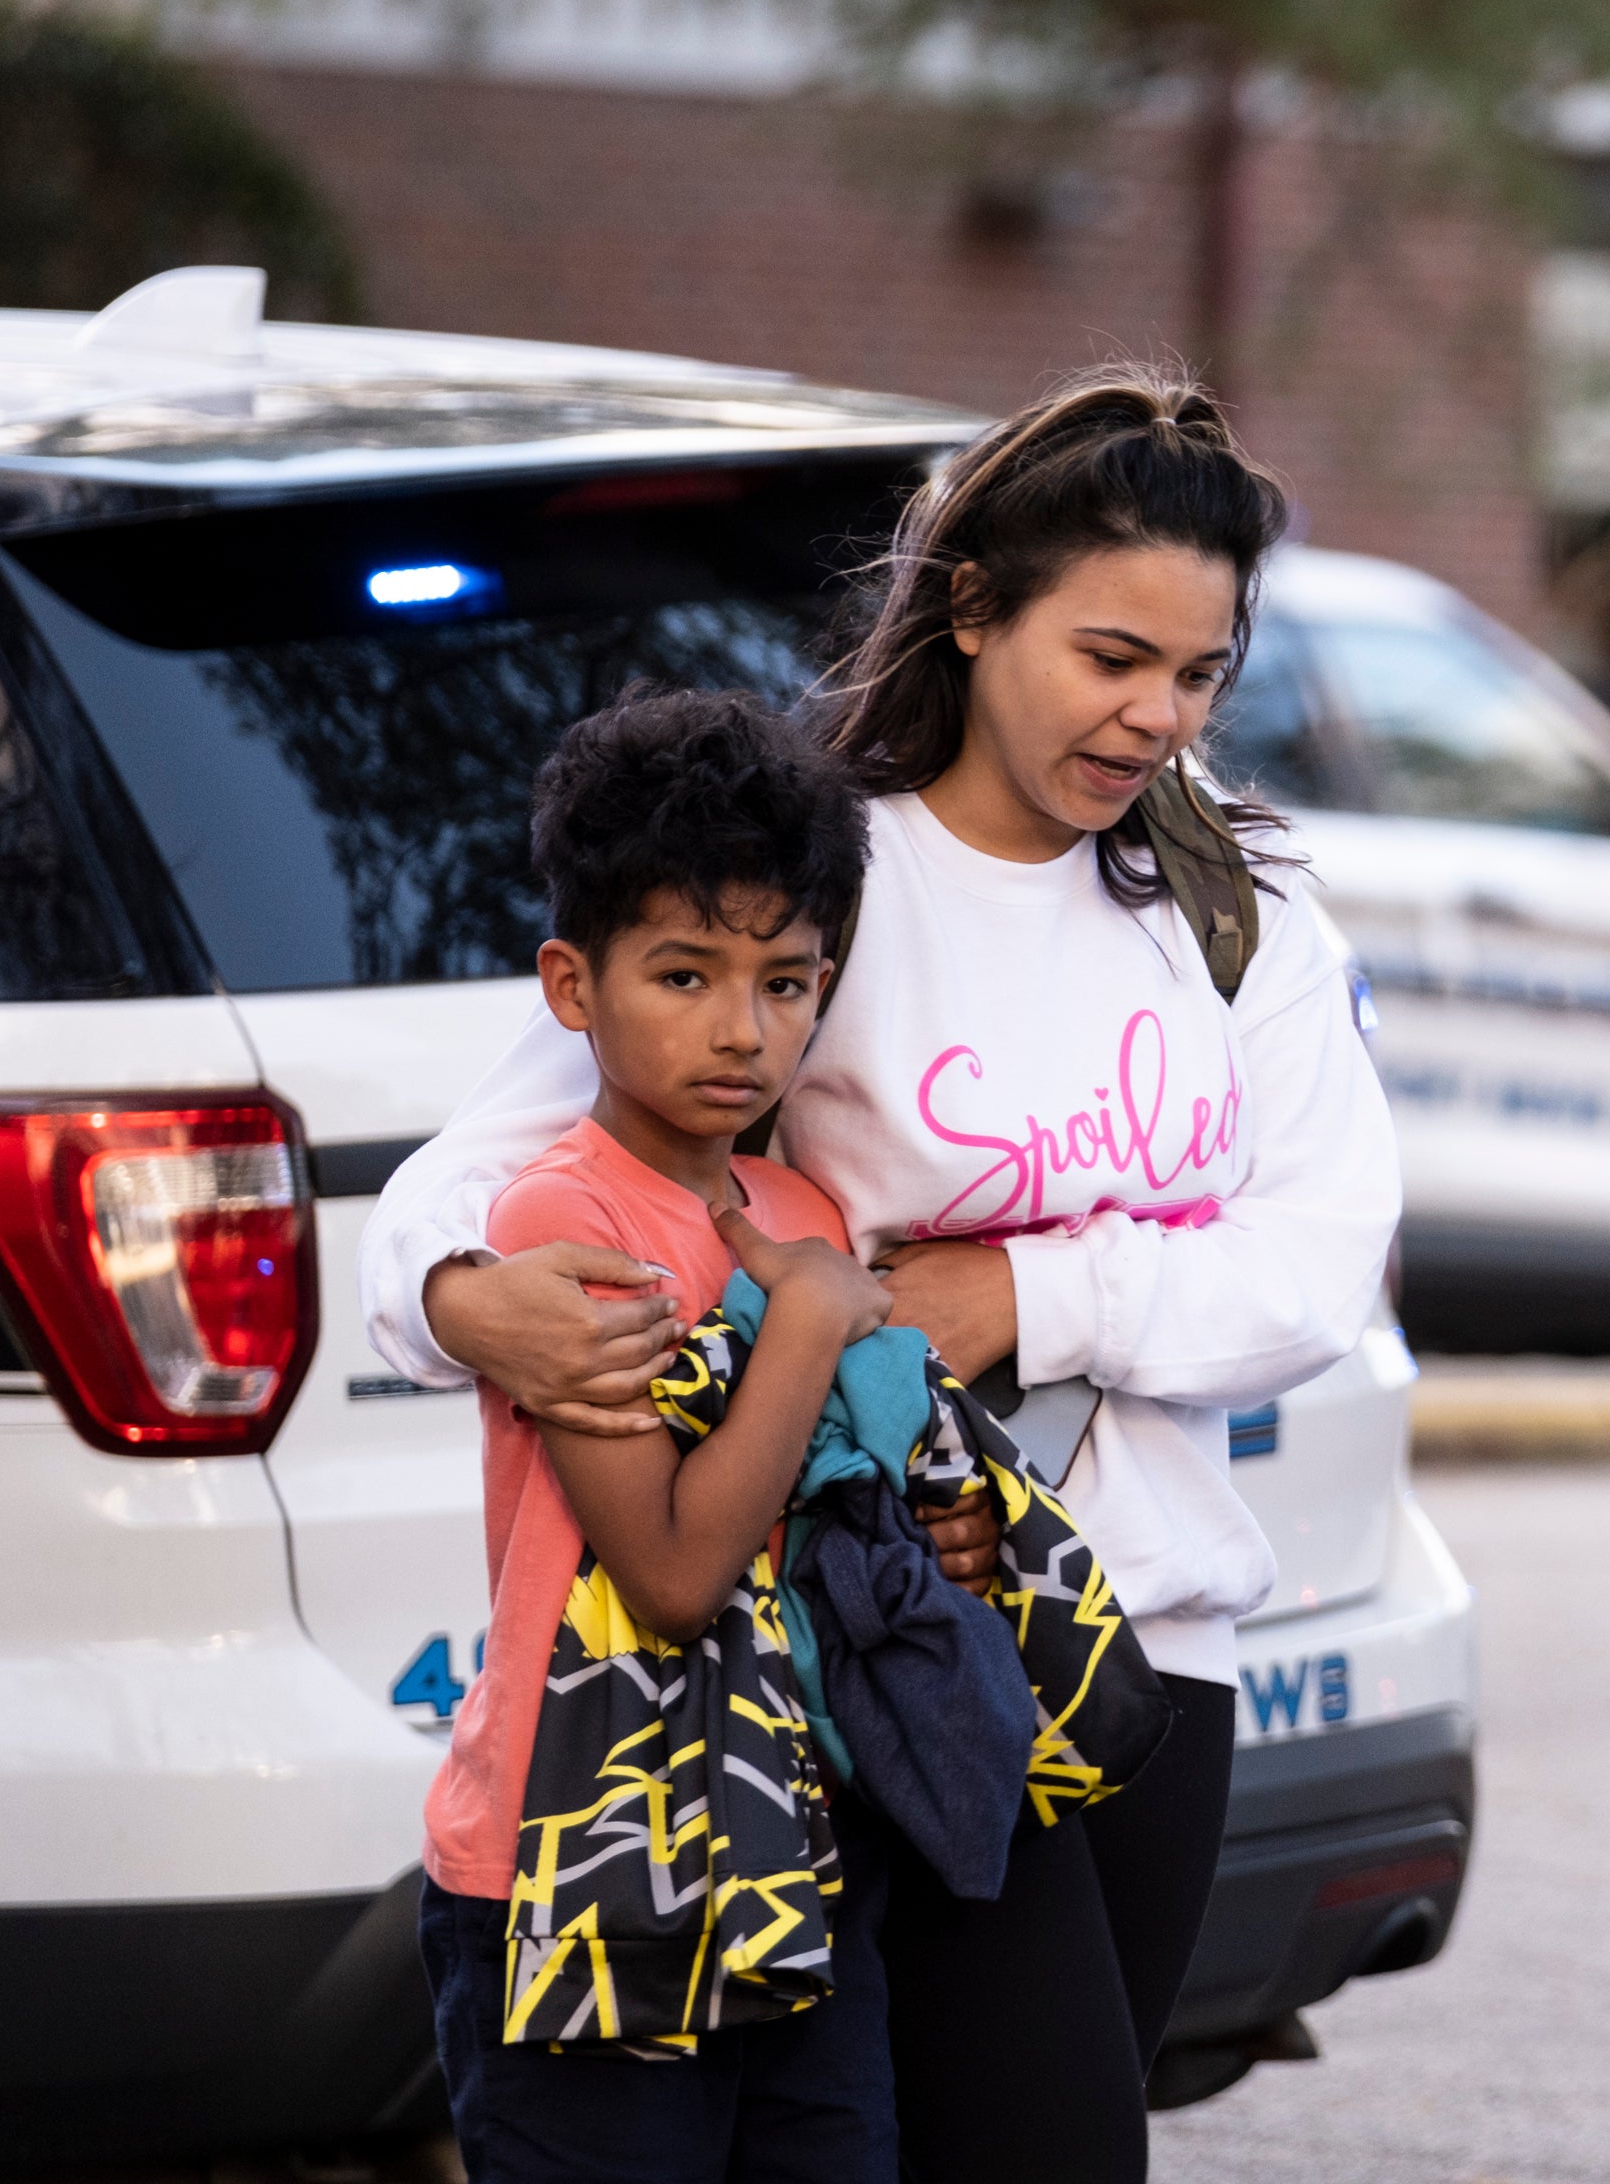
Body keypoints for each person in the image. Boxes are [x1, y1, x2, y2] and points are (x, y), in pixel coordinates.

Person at [363, 367, 1403, 2184]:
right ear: (976, 609)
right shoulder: (825, 877)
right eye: (1110, 658)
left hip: (1152, 1646)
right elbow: (475, 1179)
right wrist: (461, 1301)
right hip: (902, 1645)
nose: (1157, 717)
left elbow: (1320, 1264)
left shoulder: (1238, 910)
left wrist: (1024, 1300)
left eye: (1198, 673)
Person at [420, 684, 900, 2182]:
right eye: (684, 974)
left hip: (787, 1846)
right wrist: (807, 1327)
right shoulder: (562, 1219)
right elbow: (677, 1573)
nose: (742, 1030)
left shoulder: (802, 1210)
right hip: (582, 1855)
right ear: (573, 986)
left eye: (785, 982)